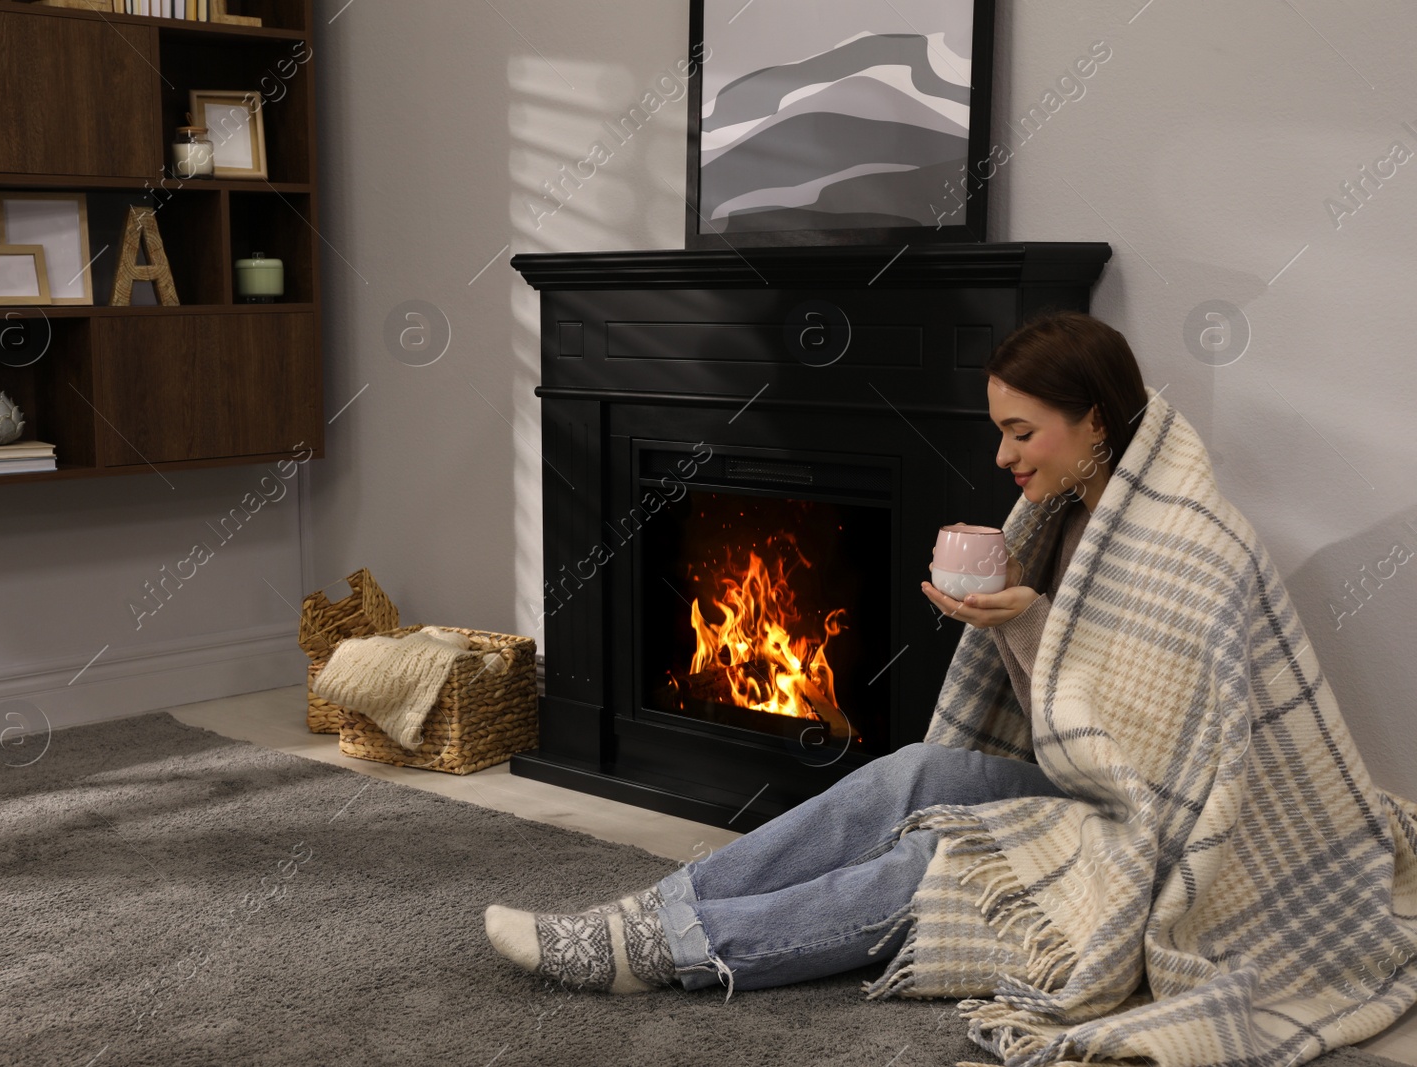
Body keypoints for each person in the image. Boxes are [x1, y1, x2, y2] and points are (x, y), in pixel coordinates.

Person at [484, 310, 1149, 997]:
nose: (1002, 457)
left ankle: (666, 950)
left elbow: (1137, 755)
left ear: (1095, 422)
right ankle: (653, 907)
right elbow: (1060, 709)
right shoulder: (1073, 516)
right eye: (999, 432)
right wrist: (1010, 617)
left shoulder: (1173, 548)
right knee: (913, 770)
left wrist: (1028, 618)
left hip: (1139, 822)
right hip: (1072, 782)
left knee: (944, 851)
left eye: (1021, 433)